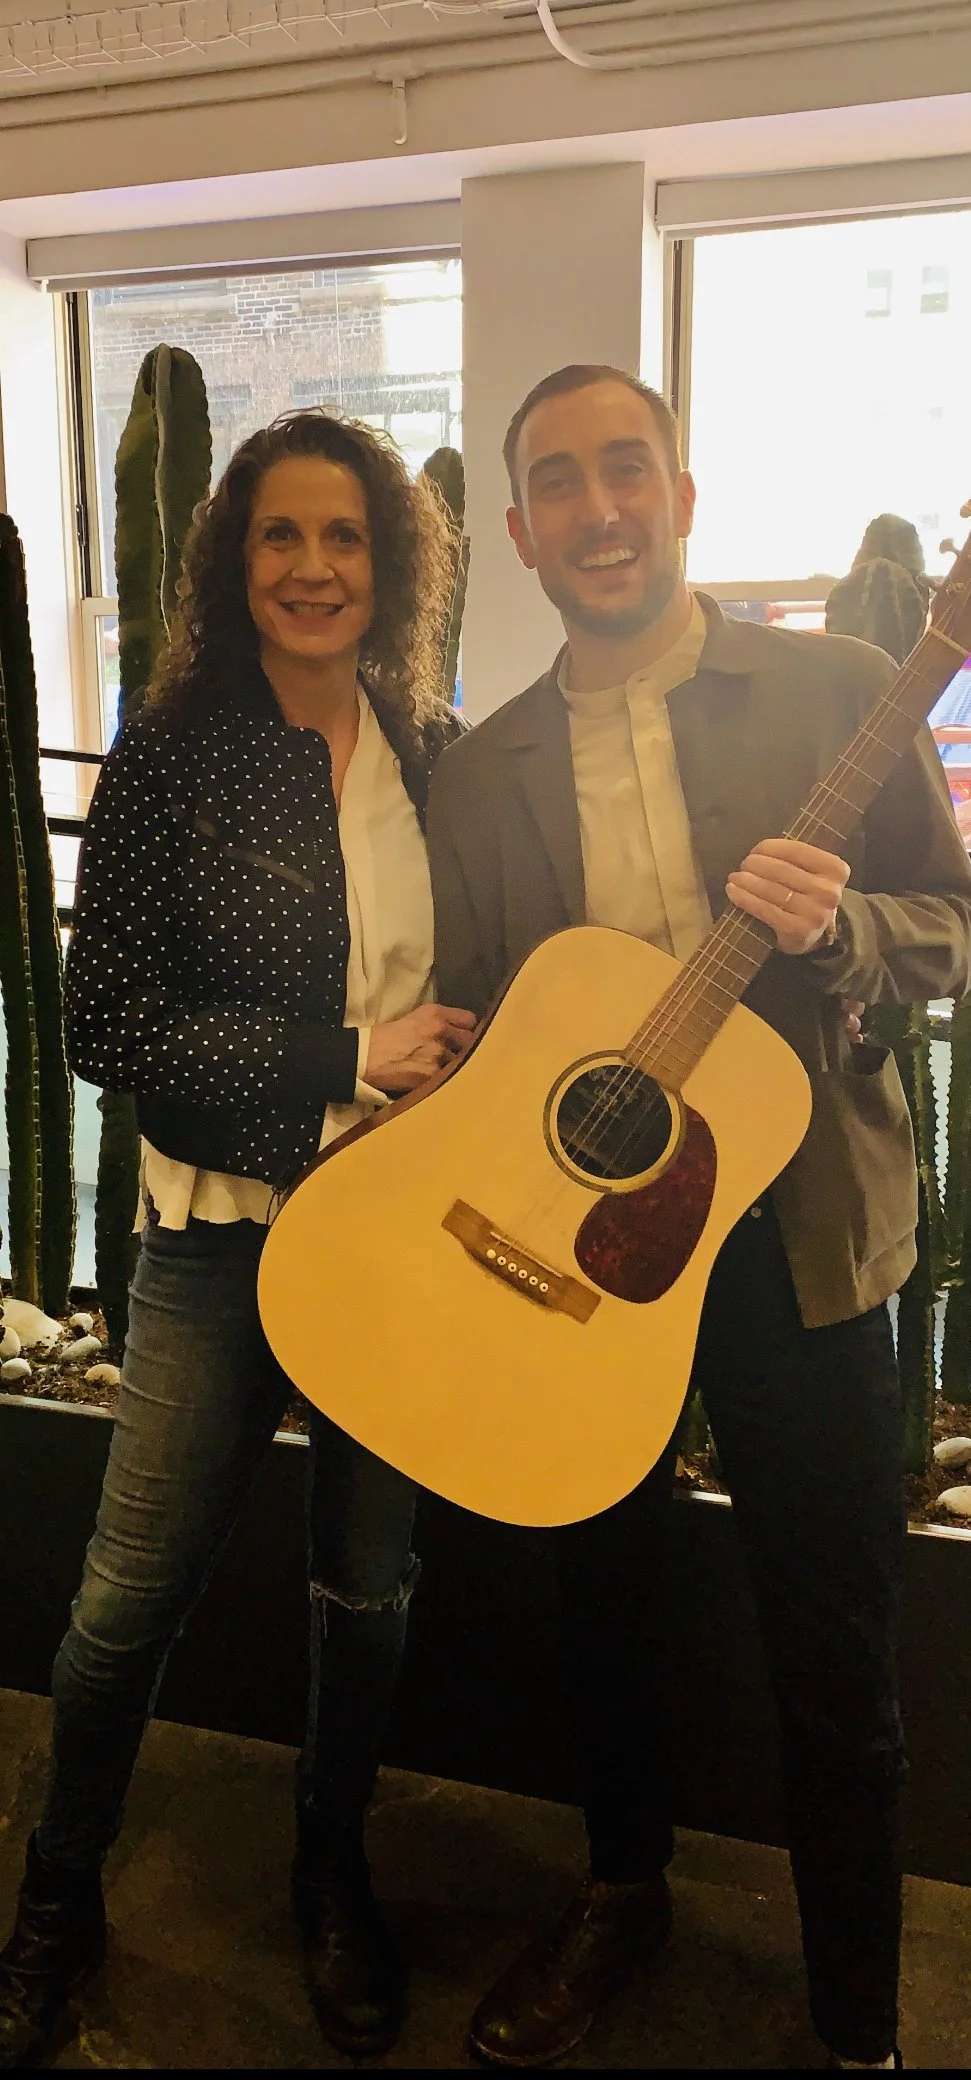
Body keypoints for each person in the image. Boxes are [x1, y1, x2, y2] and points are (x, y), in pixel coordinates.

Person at [426, 362, 971, 2071]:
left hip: (801, 1233)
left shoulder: (845, 690)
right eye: (560, 484)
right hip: (589, 1245)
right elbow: (479, 1012)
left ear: (683, 493)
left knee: (830, 1629)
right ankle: (622, 1892)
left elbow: (957, 928)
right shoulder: (485, 767)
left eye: (629, 469)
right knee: (599, 1605)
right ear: (518, 532)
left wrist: (844, 940)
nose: (600, 508)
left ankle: (856, 2013)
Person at [0, 410, 474, 2071]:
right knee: (125, 1602)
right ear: (231, 559)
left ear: (390, 564)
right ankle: (56, 1901)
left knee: (370, 1589)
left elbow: (482, 986)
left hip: (403, 1248)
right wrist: (342, 1062)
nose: (315, 568)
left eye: (347, 537)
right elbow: (104, 1018)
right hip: (222, 1239)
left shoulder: (435, 747)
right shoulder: (172, 755)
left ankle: (330, 1872)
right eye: (281, 536)